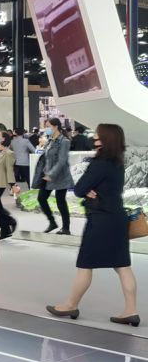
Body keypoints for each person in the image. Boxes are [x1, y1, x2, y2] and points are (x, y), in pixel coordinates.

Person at [47, 124, 138, 326]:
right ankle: (131, 310)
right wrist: (89, 188)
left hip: (100, 221)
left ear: (105, 140)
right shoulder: (117, 162)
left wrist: (87, 189)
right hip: (117, 219)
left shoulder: (100, 163)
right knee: (123, 266)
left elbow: (79, 189)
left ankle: (70, 305)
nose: (94, 139)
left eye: (97, 136)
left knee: (85, 265)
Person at [34, 117, 73, 235]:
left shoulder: (64, 141)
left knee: (60, 202)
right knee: (41, 198)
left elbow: (62, 161)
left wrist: (51, 174)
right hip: (47, 175)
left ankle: (66, 228)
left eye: (48, 126)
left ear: (56, 127)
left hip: (60, 176)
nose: (46, 129)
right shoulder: (50, 141)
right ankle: (52, 222)